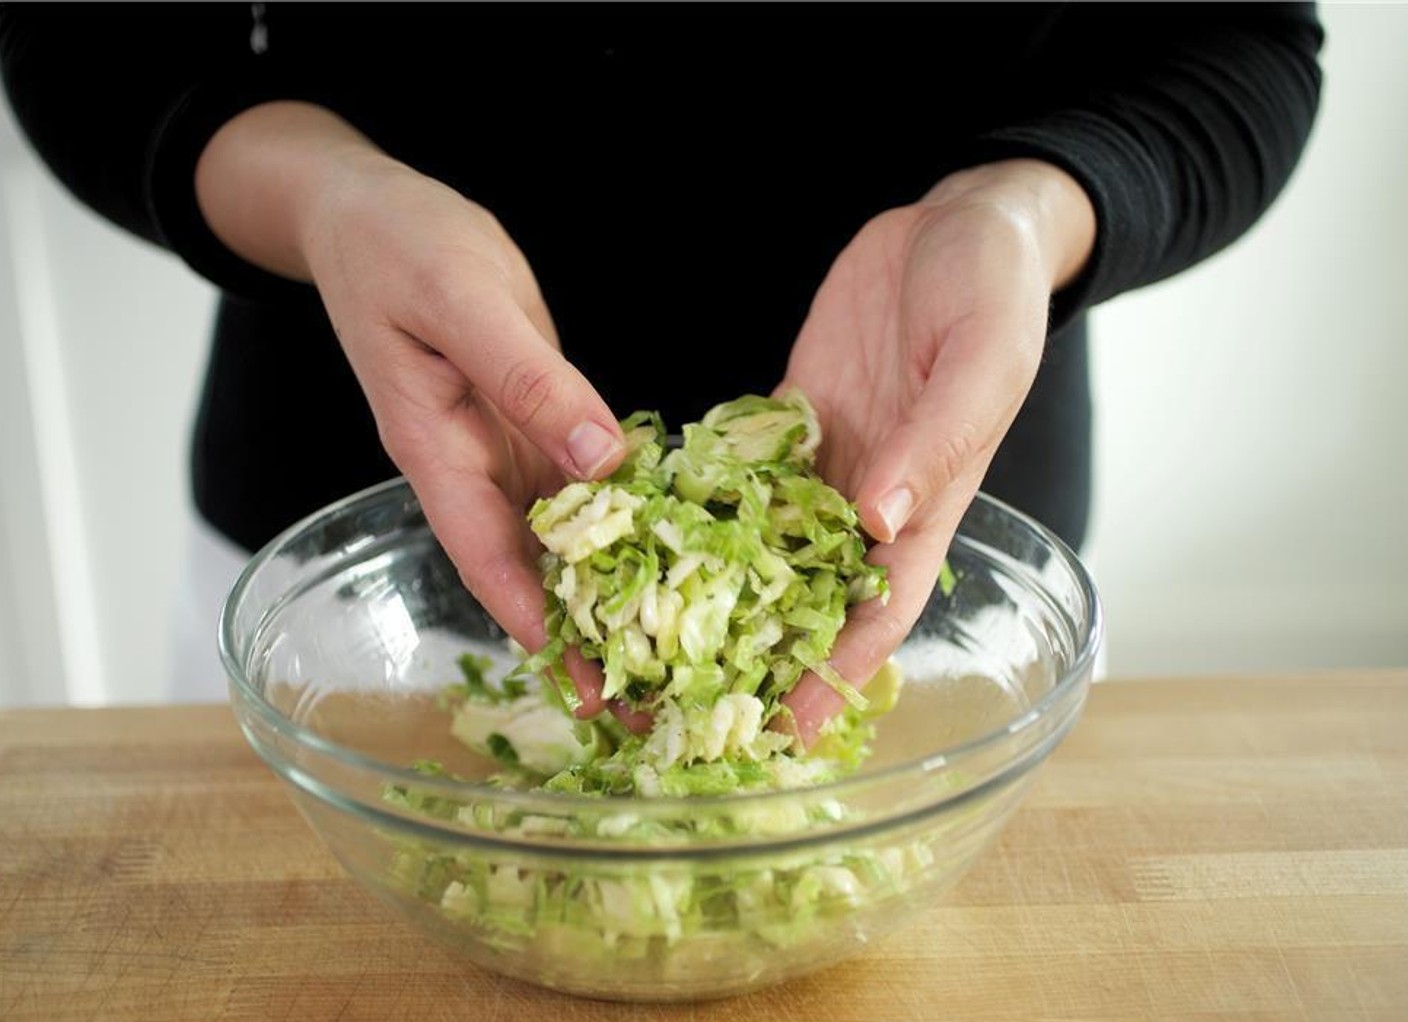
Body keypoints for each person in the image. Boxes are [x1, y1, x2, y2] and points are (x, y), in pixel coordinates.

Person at [0, 4, 1323, 729]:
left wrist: (1024, 211)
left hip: (926, 571)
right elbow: (84, 39)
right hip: (366, 585)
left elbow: (1238, 33)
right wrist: (324, 199)